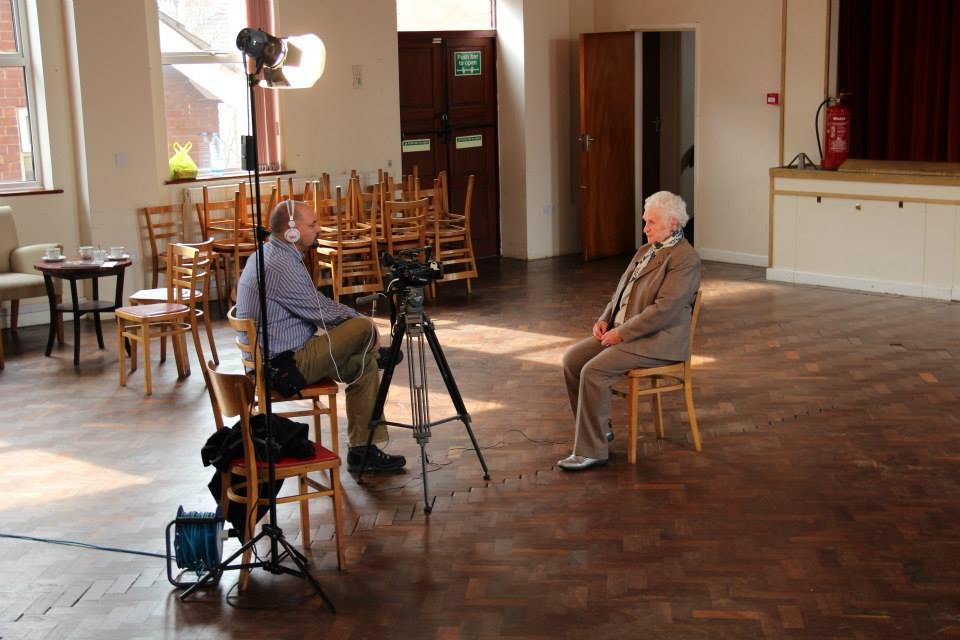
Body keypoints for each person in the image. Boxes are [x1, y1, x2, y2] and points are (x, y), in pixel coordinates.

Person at [235, 199, 405, 472]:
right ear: (291, 231)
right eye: (312, 224)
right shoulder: (279, 264)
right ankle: (372, 348)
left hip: (285, 356)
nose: (319, 229)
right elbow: (321, 311)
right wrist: (367, 327)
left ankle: (362, 451)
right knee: (362, 327)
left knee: (364, 366)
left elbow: (316, 309)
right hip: (283, 367)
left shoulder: (268, 253)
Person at [558, 191, 701, 471]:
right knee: (572, 360)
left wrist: (622, 333)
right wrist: (605, 319)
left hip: (658, 341)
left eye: (651, 222)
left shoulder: (685, 259)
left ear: (673, 223)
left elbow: (663, 310)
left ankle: (591, 451)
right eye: (645, 221)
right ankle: (600, 429)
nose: (645, 228)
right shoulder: (645, 251)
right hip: (626, 332)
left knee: (594, 371)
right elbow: (620, 294)